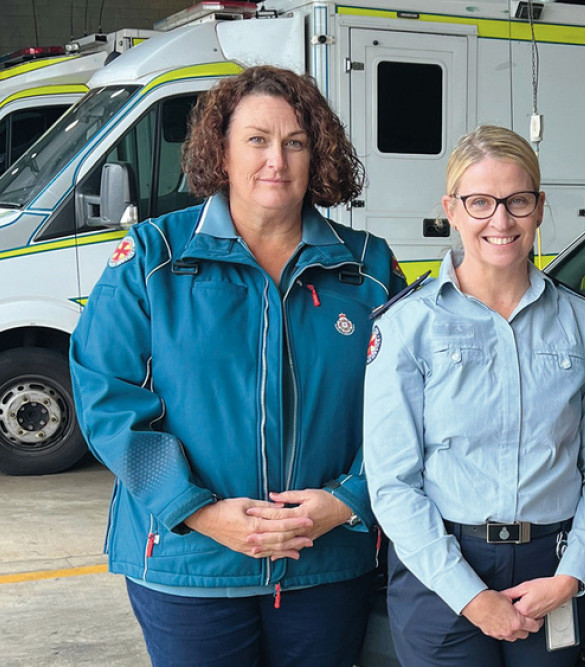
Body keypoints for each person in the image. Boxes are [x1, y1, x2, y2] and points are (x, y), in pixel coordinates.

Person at [69, 65, 406, 667]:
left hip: (323, 562)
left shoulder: (368, 269)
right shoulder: (154, 259)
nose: (276, 159)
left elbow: (408, 407)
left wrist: (350, 500)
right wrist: (196, 510)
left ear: (317, 155)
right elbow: (106, 396)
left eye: (295, 142)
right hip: (187, 565)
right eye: (256, 139)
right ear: (220, 150)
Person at [363, 125, 585, 666]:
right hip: (441, 569)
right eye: (480, 203)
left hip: (552, 565)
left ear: (540, 207)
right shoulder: (410, 324)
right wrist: (471, 597)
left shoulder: (580, 322)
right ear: (451, 209)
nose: (500, 221)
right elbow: (392, 483)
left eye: (517, 201)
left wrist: (572, 574)